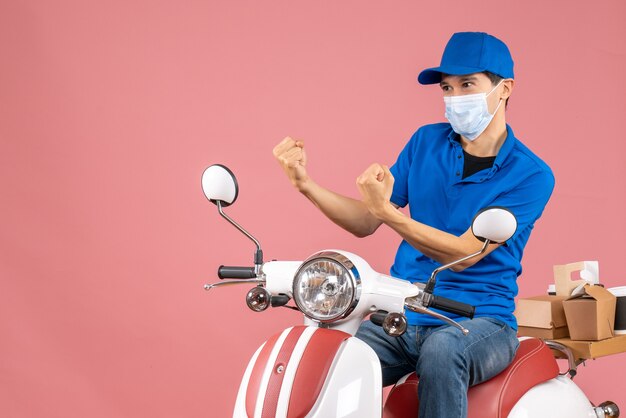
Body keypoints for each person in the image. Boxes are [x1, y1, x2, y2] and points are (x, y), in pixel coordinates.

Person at [272, 31, 554, 418]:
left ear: (504, 89)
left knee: (443, 352)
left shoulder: (531, 174)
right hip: (402, 313)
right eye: (447, 88)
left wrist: (389, 213)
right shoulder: (426, 142)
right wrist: (307, 185)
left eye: (467, 85)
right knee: (330, 353)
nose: (455, 98)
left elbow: (465, 253)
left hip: (479, 320)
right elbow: (366, 220)